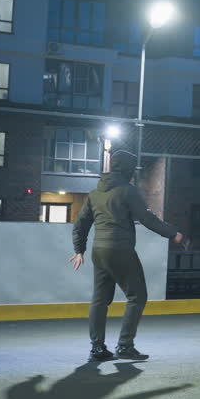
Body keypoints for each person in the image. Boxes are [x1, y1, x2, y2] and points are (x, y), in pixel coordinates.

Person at [70, 150, 185, 362]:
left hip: (99, 251)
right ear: (127, 169)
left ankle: (97, 349)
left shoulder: (94, 193)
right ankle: (125, 346)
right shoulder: (127, 191)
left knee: (100, 300)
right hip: (120, 249)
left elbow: (80, 225)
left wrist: (79, 250)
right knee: (137, 296)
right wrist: (173, 233)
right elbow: (147, 219)